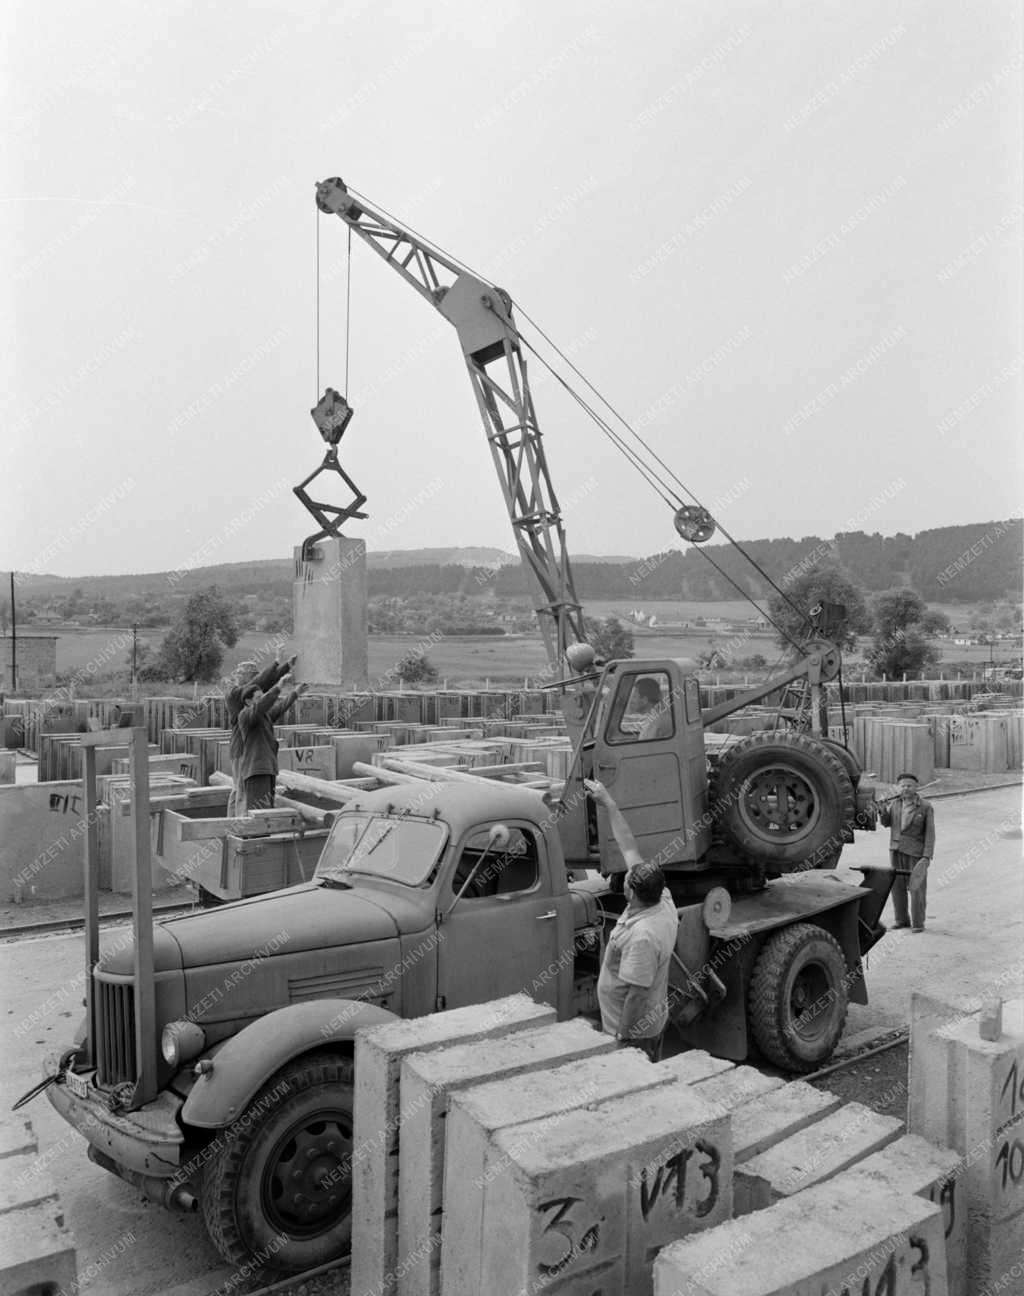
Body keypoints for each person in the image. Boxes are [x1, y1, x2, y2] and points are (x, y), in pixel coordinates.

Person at [585, 778, 679, 1059]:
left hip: (634, 1034)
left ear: (632, 894)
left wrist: (622, 1040)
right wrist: (608, 803)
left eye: (627, 879)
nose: (625, 874)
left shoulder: (643, 937)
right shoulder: (661, 898)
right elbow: (628, 846)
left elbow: (637, 996)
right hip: (646, 1024)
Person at [226, 655, 296, 815]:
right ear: (247, 677)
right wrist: (278, 663)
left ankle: (233, 822)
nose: (258, 681)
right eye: (254, 676)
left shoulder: (249, 695)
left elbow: (266, 685)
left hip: (244, 749)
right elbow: (264, 682)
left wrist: (285, 667)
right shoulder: (235, 693)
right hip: (243, 750)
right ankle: (238, 824)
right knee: (242, 791)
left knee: (238, 789)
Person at [237, 673, 309, 814]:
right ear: (248, 701)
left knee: (266, 811)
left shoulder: (263, 716)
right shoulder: (246, 716)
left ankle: (261, 835)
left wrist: (295, 693)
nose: (262, 700)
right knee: (258, 813)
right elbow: (264, 704)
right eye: (258, 698)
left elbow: (280, 707)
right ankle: (255, 836)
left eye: (262, 696)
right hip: (256, 771)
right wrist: (279, 685)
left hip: (267, 769)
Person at [876, 772, 935, 933]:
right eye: (902, 785)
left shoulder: (925, 806)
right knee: (897, 887)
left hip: (916, 853)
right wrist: (882, 810)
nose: (905, 788)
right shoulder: (895, 804)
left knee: (916, 888)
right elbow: (887, 823)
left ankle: (918, 923)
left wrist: (927, 856)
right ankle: (901, 920)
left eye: (909, 785)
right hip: (895, 850)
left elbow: (930, 834)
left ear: (916, 787)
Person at [631, 677, 672, 741]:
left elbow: (643, 748)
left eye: (634, 696)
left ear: (645, 700)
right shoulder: (661, 715)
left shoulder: (654, 723)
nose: (632, 701)